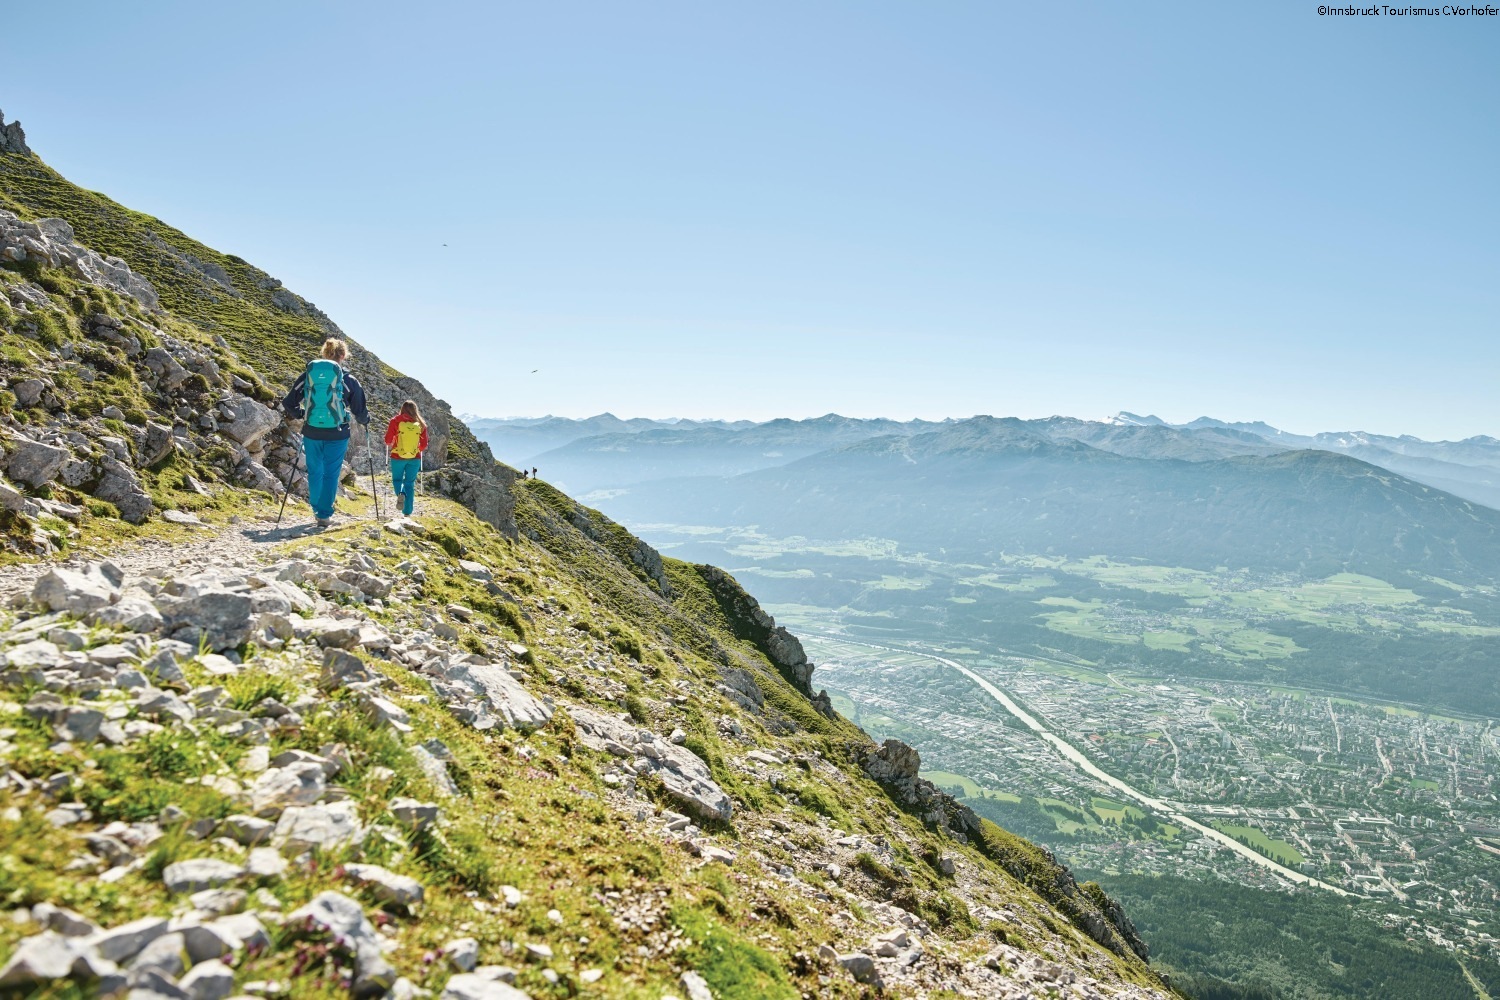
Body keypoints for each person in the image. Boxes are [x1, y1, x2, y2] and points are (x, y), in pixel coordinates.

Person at [280, 337, 369, 527]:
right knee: (331, 473)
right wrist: (365, 420)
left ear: (324, 353)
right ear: (343, 356)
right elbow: (359, 409)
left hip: (312, 431)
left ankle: (315, 509)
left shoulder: (308, 376)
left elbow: (289, 403)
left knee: (314, 471)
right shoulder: (348, 380)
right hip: (337, 433)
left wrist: (302, 413)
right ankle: (324, 514)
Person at [384, 399, 429, 517]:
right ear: (415, 410)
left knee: (397, 480)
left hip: (397, 457)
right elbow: (424, 445)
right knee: (409, 483)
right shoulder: (421, 424)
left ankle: (401, 493)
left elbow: (388, 440)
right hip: (414, 458)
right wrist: (415, 450)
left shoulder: (395, 421)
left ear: (402, 409)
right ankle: (407, 512)